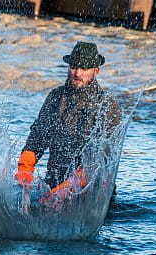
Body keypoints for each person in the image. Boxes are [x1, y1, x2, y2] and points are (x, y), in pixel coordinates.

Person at [15, 41, 121, 195]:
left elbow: (99, 161)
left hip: (90, 191)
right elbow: (37, 138)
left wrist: (65, 191)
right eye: (73, 67)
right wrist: (25, 170)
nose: (77, 73)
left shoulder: (107, 106)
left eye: (84, 68)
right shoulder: (55, 97)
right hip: (53, 181)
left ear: (96, 71)